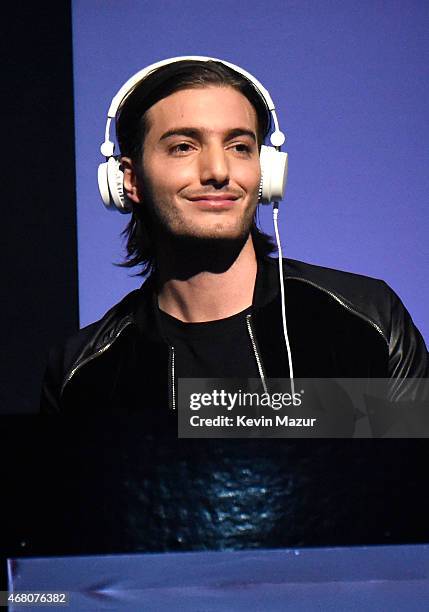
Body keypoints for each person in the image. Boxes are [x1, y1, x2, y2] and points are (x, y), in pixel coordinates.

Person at [41, 56, 428, 413]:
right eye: (183, 147)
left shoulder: (367, 321)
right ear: (130, 180)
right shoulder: (84, 373)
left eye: (240, 146)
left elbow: (409, 481)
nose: (218, 170)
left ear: (267, 174)